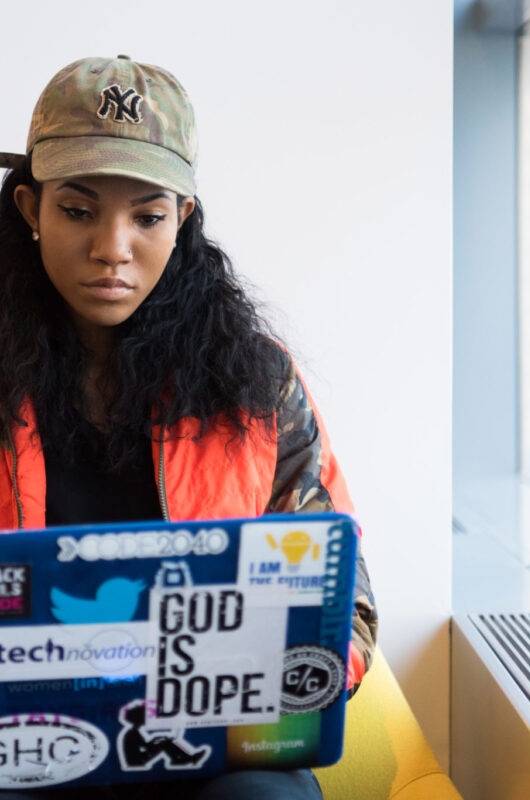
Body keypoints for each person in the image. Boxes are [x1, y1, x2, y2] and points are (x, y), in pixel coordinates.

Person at [0, 56, 378, 799]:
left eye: (147, 215)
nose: (113, 248)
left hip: (213, 756)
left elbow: (345, 597)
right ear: (28, 210)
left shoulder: (257, 384)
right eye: (77, 210)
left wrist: (297, 683)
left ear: (184, 219)